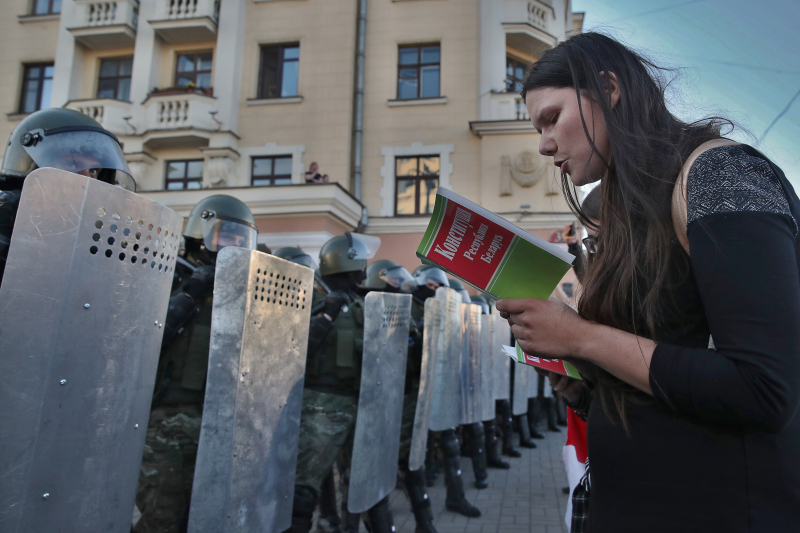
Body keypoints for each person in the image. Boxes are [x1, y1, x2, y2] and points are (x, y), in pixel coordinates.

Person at [497, 32, 800, 532]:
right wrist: (584, 383)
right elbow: (662, 382)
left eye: (552, 117)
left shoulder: (717, 174)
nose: (544, 143)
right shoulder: (624, 208)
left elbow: (763, 388)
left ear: (609, 87)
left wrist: (582, 337)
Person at [134, 195, 258, 533]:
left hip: (222, 420)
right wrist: (188, 295)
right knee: (161, 516)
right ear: (199, 233)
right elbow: (140, 344)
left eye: (238, 239)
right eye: (225, 236)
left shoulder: (241, 289)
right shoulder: (165, 273)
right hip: (166, 419)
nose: (231, 245)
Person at [287, 233, 397, 533]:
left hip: (363, 405)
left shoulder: (365, 304)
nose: (363, 273)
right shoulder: (312, 302)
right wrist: (327, 313)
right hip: (321, 406)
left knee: (372, 490)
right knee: (301, 492)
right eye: (358, 268)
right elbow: (294, 354)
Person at [0, 107, 136, 283]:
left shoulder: (92, 232)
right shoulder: (9, 212)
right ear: (32, 165)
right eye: (73, 164)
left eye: (94, 170)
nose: (87, 178)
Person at [414, 267, 481, 518]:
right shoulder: (408, 308)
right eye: (432, 286)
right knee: (413, 456)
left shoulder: (446, 311)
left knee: (450, 444)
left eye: (440, 287)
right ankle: (420, 514)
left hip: (439, 387)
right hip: (412, 393)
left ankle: (456, 497)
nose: (436, 291)